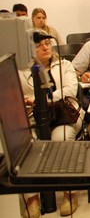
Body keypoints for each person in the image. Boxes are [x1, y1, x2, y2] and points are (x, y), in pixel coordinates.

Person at [19, 32, 84, 217]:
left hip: (65, 115)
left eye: (47, 43)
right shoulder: (22, 71)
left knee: (62, 139)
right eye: (39, 45)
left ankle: (69, 194)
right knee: (27, 144)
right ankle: (32, 199)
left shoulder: (64, 65)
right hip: (34, 118)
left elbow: (70, 89)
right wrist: (27, 100)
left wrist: (41, 100)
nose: (45, 47)